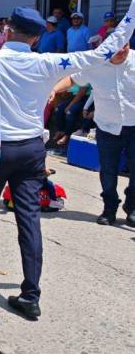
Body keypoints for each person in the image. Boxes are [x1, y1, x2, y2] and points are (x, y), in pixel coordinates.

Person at [0, 4, 135, 321]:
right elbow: (104, 52)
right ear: (38, 36)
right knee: (28, 218)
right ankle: (31, 294)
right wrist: (130, 17)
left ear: (8, 30)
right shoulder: (49, 63)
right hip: (31, 150)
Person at [51, 42, 134, 227]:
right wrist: (54, 89)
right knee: (108, 170)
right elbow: (72, 80)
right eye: (117, 47)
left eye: (125, 46)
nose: (122, 51)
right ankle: (109, 208)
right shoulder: (96, 64)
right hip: (107, 126)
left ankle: (132, 205)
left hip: (134, 125)